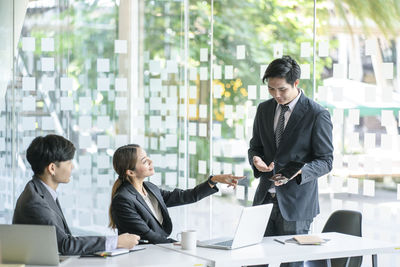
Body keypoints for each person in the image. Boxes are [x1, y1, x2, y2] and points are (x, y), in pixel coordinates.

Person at [248, 56, 333, 267]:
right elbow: (255, 146)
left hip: (297, 206)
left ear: (296, 83)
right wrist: (255, 159)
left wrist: (301, 171)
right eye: (271, 89)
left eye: (282, 89)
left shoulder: (317, 114)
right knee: (253, 261)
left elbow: (326, 160)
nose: (277, 95)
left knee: (291, 265)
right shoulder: (264, 109)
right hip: (263, 201)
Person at [13, 134, 140, 255]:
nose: (72, 167)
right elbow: (65, 244)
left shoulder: (39, 190)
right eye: (69, 162)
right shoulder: (35, 202)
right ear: (52, 168)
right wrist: (116, 242)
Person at [109, 144, 244, 244]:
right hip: (142, 256)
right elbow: (146, 235)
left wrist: (214, 181)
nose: (151, 162)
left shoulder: (149, 188)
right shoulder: (122, 200)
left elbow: (185, 196)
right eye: (144, 161)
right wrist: (181, 244)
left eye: (148, 158)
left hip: (159, 250)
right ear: (130, 172)